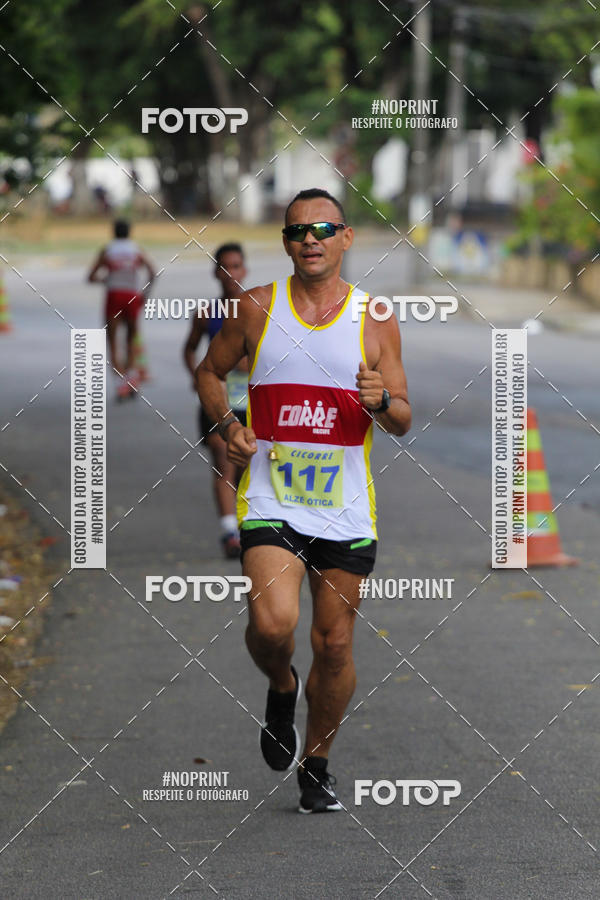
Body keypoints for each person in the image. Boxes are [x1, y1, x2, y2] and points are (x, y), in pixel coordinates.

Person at [196, 188, 411, 813]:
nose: (309, 239)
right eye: (296, 231)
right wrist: (229, 425)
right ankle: (281, 683)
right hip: (271, 497)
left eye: (323, 228)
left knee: (336, 643)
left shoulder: (375, 319)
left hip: (344, 508)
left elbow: (402, 417)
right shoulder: (256, 309)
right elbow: (210, 372)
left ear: (347, 237)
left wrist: (379, 402)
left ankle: (316, 764)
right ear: (285, 242)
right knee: (271, 627)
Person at [184, 244, 249, 558]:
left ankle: (247, 525)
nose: (231, 274)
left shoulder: (260, 313)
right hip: (218, 403)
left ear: (245, 270)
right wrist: (199, 379)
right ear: (216, 273)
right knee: (224, 465)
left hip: (252, 403)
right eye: (225, 267)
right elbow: (189, 349)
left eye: (236, 266)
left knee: (246, 470)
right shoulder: (207, 314)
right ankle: (229, 533)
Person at [88, 219, 155, 398]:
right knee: (131, 339)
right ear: (129, 232)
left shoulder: (108, 250)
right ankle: (131, 377)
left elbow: (91, 276)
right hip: (132, 296)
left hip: (114, 296)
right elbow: (152, 271)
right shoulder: (136, 250)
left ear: (113, 232)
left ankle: (120, 383)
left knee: (113, 341)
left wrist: (107, 279)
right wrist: (145, 294)